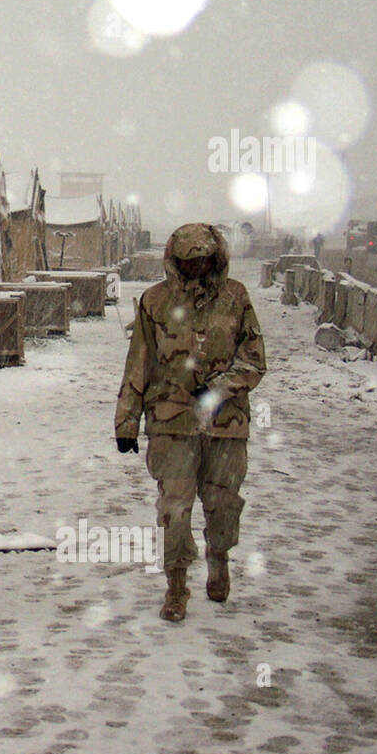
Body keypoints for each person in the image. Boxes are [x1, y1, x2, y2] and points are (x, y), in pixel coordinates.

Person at [114, 223, 267, 622]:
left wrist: (217, 390)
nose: (197, 267)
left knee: (222, 504)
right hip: (171, 422)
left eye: (204, 259)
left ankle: (219, 558)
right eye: (189, 260)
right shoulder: (155, 302)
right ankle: (176, 585)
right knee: (175, 510)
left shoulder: (236, 298)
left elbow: (254, 360)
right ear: (176, 260)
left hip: (225, 424)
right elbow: (138, 363)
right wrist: (126, 420)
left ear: (215, 258)